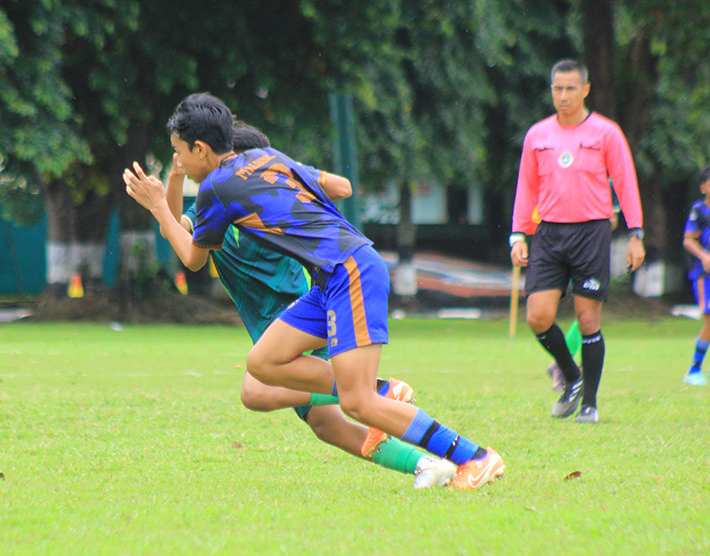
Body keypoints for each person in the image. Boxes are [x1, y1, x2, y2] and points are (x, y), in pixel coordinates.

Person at [124, 93, 504, 490]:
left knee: (358, 404)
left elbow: (192, 259)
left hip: (350, 272)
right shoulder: (267, 158)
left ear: (200, 148)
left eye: (180, 152)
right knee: (262, 363)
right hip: (331, 277)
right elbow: (336, 187)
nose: (180, 162)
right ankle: (383, 390)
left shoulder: (216, 187)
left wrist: (158, 207)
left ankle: (474, 456)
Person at [510, 59, 646, 424]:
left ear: (585, 89)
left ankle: (589, 403)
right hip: (549, 234)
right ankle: (572, 376)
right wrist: (518, 234)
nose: (563, 96)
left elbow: (625, 182)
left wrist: (636, 233)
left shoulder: (606, 133)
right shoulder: (537, 135)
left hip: (591, 232)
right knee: (537, 317)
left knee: (588, 320)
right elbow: (526, 186)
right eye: (557, 88)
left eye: (571, 88)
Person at [681, 162, 710, 385]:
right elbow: (688, 240)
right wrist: (704, 257)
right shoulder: (699, 210)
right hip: (708, 277)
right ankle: (693, 370)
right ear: (703, 188)